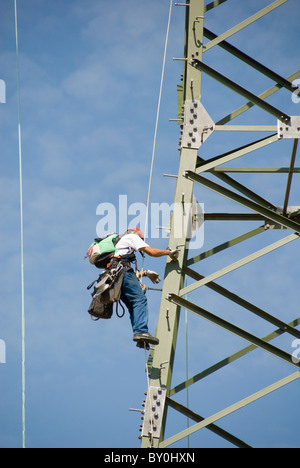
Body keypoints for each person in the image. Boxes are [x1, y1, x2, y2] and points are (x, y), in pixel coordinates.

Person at [114, 227, 179, 348]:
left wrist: (146, 273)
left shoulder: (118, 247)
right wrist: (168, 252)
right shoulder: (132, 237)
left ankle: (139, 335)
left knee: (133, 305)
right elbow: (152, 252)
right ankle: (141, 332)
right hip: (123, 274)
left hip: (115, 280)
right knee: (140, 300)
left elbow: (122, 272)